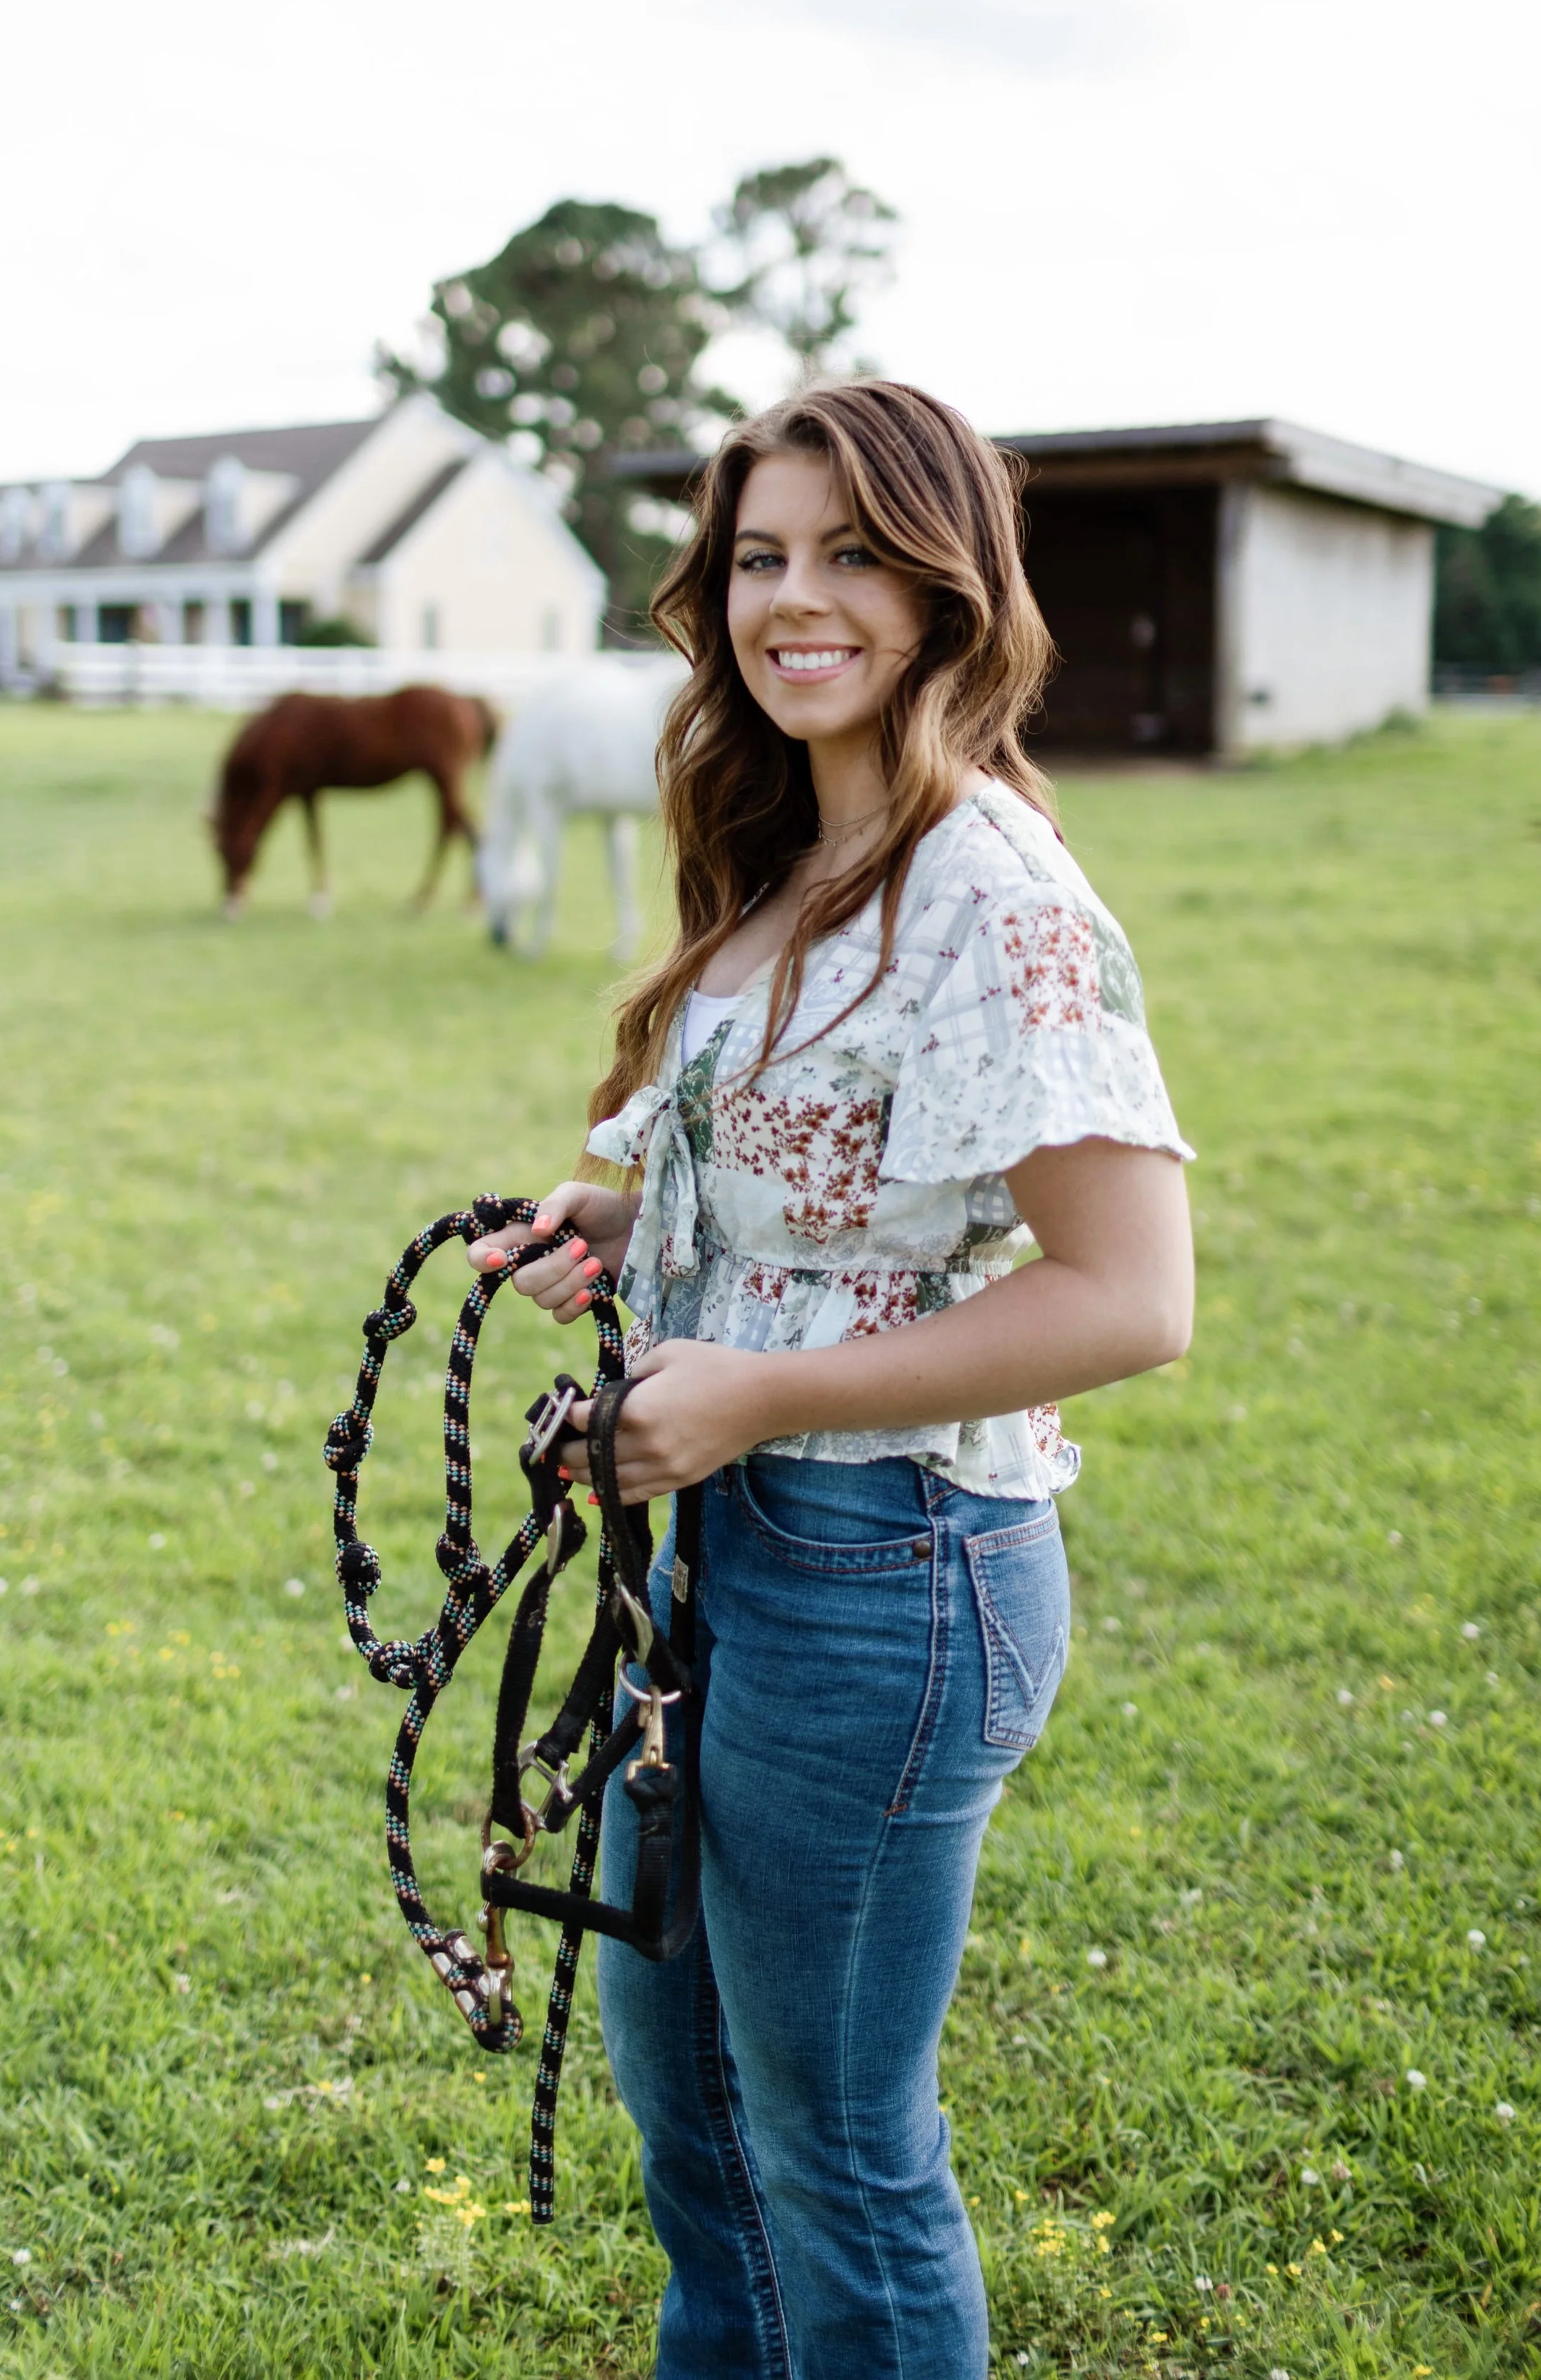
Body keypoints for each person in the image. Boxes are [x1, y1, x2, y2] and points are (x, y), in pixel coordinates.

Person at [473, 379, 1193, 2380]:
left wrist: (763, 1399)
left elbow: (1128, 1296)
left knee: (836, 2155)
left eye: (853, 555)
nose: (794, 600)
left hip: (886, 1570)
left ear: (951, 586)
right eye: (759, 558)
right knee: (695, 2133)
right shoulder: (789, 845)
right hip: (706, 1553)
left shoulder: (996, 894)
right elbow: (836, 1205)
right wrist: (612, 1227)